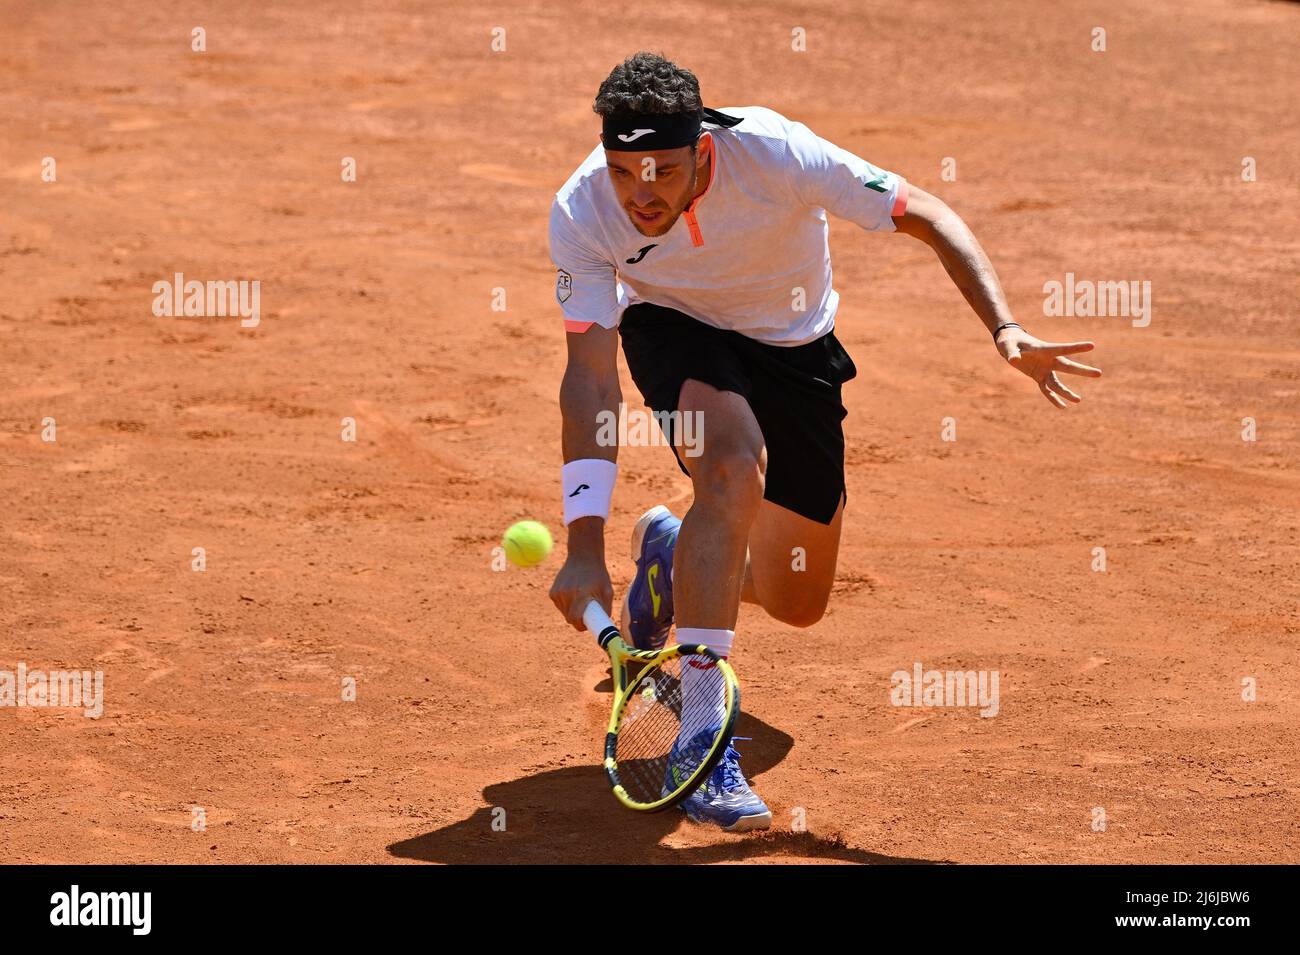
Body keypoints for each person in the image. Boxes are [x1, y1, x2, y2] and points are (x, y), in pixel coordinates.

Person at [548, 52, 1101, 831]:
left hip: (796, 348)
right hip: (675, 329)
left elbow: (927, 213)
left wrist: (1004, 326)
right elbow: (591, 383)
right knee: (733, 467)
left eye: (664, 171)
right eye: (625, 171)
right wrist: (580, 543)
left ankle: (673, 554)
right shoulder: (581, 211)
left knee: (796, 599)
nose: (643, 193)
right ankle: (704, 744)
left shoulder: (778, 152)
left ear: (703, 151)